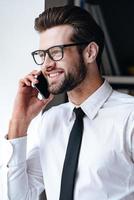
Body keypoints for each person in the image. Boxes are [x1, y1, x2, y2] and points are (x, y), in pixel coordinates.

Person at [0, 5, 134, 200]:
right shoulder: (51, 120)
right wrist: (19, 123)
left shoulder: (130, 117)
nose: (46, 64)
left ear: (90, 52)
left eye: (55, 52)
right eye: (42, 55)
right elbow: (20, 197)